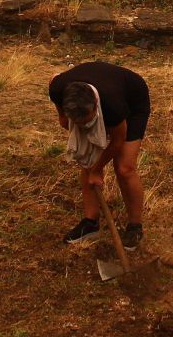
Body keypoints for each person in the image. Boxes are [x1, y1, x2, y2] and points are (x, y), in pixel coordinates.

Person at [48, 60, 149, 250]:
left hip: (134, 100)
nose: (84, 127)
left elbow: (118, 141)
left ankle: (135, 226)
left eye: (88, 121)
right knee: (86, 162)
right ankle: (90, 223)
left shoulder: (113, 106)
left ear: (96, 106)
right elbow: (54, 85)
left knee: (124, 168)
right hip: (102, 89)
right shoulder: (58, 88)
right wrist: (63, 119)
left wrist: (98, 169)